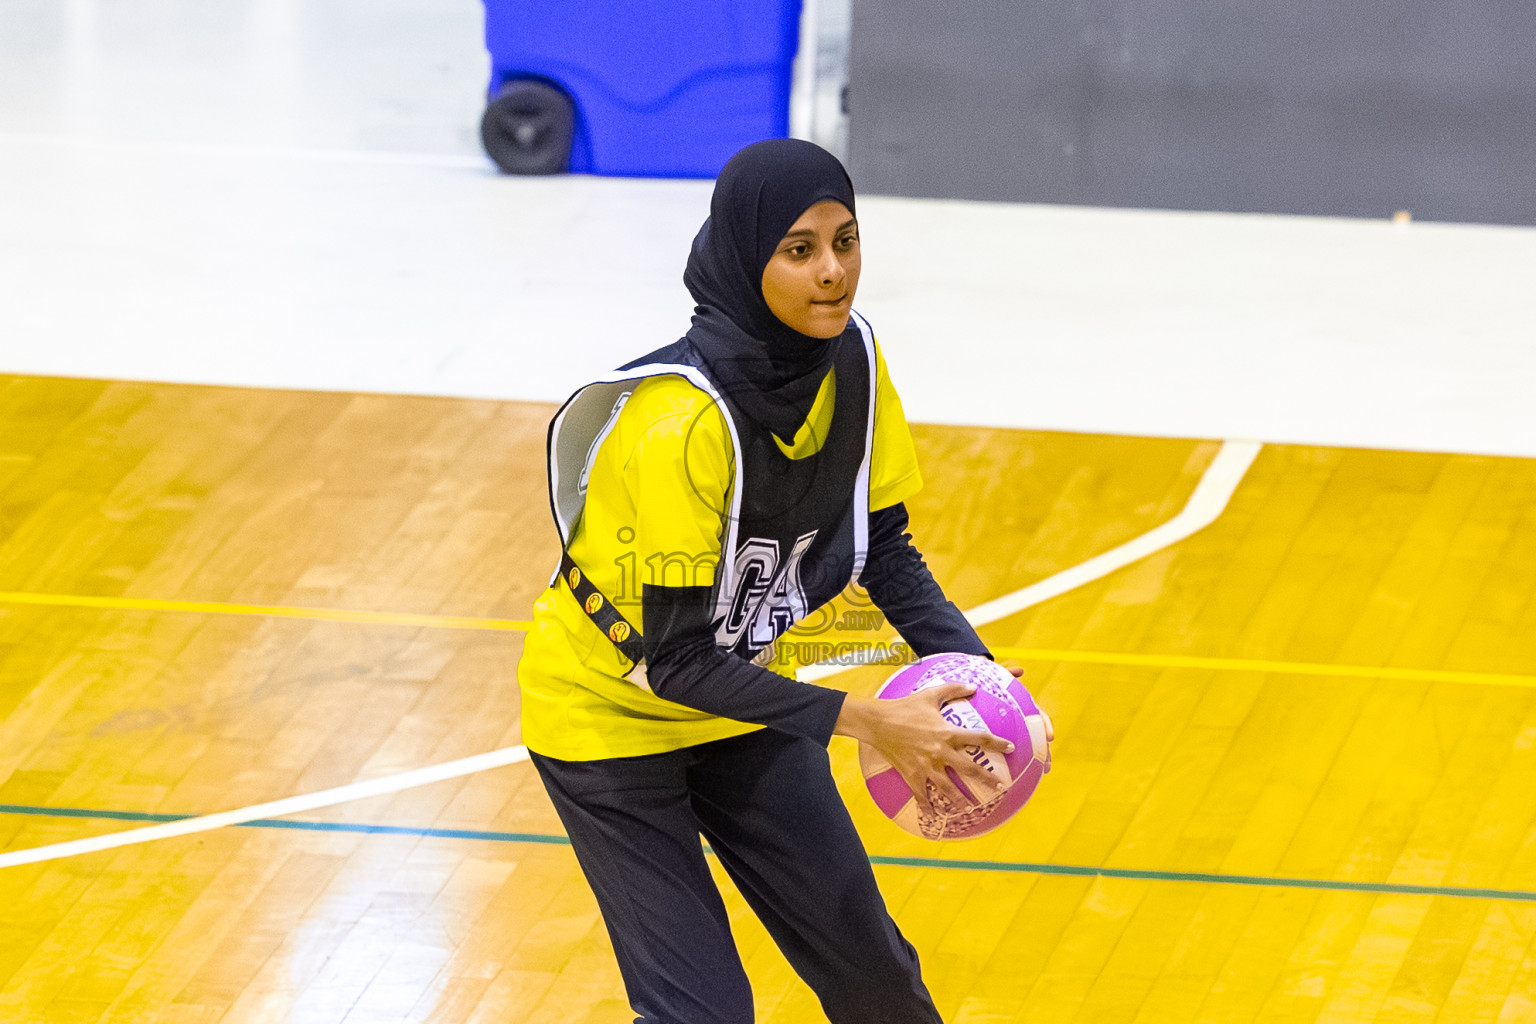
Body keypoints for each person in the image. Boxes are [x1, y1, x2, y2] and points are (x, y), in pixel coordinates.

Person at [519, 139, 1041, 1024]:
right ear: (745, 256)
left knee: (879, 982)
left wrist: (981, 681)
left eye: (846, 241)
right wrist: (875, 722)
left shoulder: (855, 361)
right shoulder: (679, 424)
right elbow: (676, 662)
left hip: (743, 700)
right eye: (799, 250)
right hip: (611, 722)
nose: (833, 272)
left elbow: (882, 545)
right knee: (704, 1014)